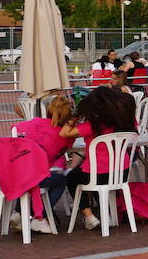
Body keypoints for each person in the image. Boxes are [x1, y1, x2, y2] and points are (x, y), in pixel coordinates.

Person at [65, 86, 138, 232]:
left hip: (97, 174)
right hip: (120, 173)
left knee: (72, 177)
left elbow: (65, 132)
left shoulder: (92, 126)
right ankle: (109, 214)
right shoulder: (124, 122)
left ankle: (89, 215)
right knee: (100, 182)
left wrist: (75, 117)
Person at [12, 95, 80, 233]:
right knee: (61, 180)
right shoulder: (64, 136)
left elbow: (15, 129)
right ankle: (39, 217)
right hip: (34, 176)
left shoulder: (35, 121)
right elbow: (63, 151)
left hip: (14, 173)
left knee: (35, 175)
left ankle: (19, 212)